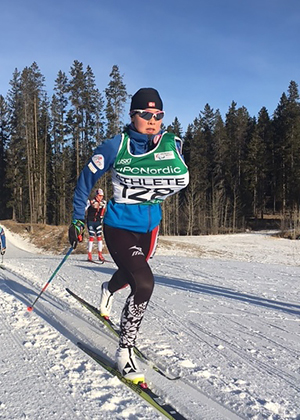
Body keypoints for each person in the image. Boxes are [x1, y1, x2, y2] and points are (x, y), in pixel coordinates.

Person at [68, 88, 189, 384]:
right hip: (119, 225)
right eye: (146, 115)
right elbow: (87, 179)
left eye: (158, 116)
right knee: (144, 281)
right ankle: (125, 352)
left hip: (150, 228)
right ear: (132, 115)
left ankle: (108, 289)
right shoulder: (116, 146)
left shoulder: (169, 145)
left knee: (130, 272)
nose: (152, 121)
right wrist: (77, 219)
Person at [86, 188, 106, 262]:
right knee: (91, 236)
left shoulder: (103, 202)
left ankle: (100, 255)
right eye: (99, 196)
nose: (101, 197)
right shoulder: (91, 201)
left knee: (99, 237)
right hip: (90, 221)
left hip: (98, 221)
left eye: (102, 196)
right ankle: (89, 255)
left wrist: (101, 218)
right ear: (96, 195)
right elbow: (85, 208)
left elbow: (102, 212)